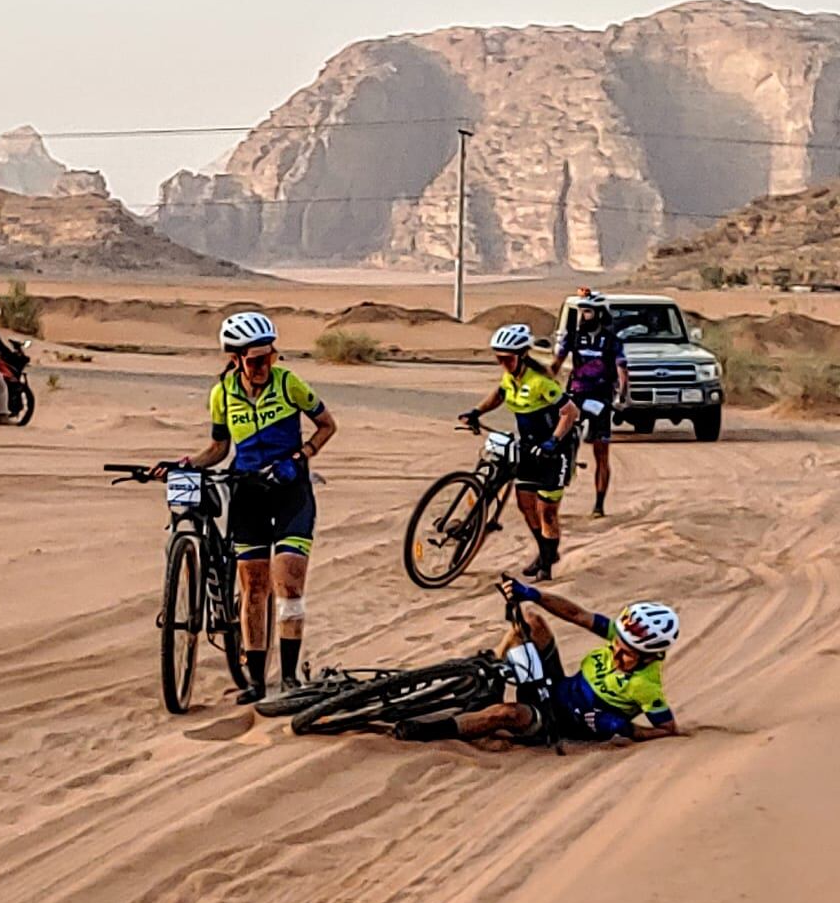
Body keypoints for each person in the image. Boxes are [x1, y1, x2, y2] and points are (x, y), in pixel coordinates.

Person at [158, 311, 337, 704]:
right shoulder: (222, 393)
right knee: (253, 586)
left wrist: (303, 455)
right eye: (255, 360)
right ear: (236, 358)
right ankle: (256, 681)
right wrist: (184, 464)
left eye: (268, 357)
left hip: (290, 492)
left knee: (288, 581)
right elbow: (219, 448)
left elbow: (327, 425)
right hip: (247, 492)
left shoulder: (289, 384)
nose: (263, 366)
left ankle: (289, 677)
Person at [395, 577, 680, 745]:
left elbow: (668, 731)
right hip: (555, 687)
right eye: (616, 645)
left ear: (651, 655)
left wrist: (624, 727)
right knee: (532, 622)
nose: (616, 653)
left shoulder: (646, 687)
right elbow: (576, 614)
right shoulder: (622, 636)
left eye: (626, 654)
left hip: (557, 724)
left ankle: (429, 730)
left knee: (507, 714)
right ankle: (489, 664)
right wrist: (531, 594)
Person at [459, 324, 581, 581]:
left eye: (508, 358)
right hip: (527, 448)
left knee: (546, 511)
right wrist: (476, 412)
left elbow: (570, 412)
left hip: (555, 451)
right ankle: (546, 552)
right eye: (499, 358)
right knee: (525, 505)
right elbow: (499, 395)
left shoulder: (540, 383)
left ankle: (546, 566)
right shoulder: (510, 378)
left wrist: (553, 441)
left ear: (522, 356)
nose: (502, 363)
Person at [551, 289, 629, 517]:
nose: (584, 316)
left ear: (599, 313)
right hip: (575, 395)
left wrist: (621, 396)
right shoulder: (573, 337)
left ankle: (599, 504)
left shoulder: (612, 341)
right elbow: (557, 363)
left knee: (601, 452)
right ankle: (552, 495)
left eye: (588, 312)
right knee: (555, 441)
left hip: (601, 398)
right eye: (582, 312)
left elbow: (621, 368)